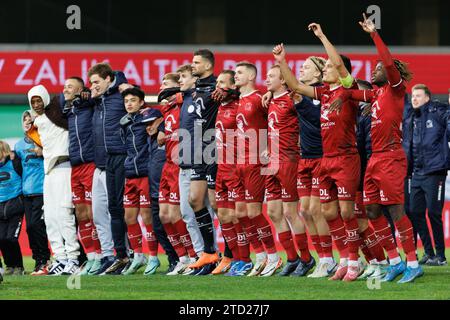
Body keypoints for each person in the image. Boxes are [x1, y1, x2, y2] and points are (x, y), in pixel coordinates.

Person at [328, 14, 421, 283]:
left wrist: (374, 35)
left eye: (377, 68)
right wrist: (343, 95)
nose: (374, 71)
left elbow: (389, 63)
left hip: (392, 156)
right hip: (375, 159)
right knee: (371, 211)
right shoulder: (377, 94)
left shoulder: (395, 89)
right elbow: (354, 92)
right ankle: (394, 261)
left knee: (395, 210)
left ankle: (413, 263)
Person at [264, 65, 316, 277]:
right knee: (273, 212)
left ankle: (306, 258)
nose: (266, 79)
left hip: (288, 159)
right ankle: (292, 258)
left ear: (283, 80)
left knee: (289, 212)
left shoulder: (292, 99)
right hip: (271, 161)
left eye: (271, 76)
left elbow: (308, 121)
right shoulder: (270, 100)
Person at [234, 61, 282, 277]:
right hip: (239, 162)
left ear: (251, 76)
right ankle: (260, 256)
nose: (236, 75)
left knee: (254, 212)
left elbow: (276, 122)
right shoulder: (239, 100)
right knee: (241, 213)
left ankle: (273, 256)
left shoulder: (260, 99)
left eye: (240, 72)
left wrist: (270, 149)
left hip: (255, 162)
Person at [28, 84, 80, 276]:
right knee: (50, 217)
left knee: (65, 214)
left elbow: (63, 99)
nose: (36, 104)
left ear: (46, 99)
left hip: (64, 167)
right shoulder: (38, 121)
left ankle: (73, 258)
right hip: (49, 171)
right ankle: (60, 258)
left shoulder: (56, 111)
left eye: (39, 99)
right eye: (33, 101)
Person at [88, 63, 130, 274]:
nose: (93, 86)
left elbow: (139, 101)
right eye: (91, 83)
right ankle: (108, 255)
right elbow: (63, 102)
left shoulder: (123, 94)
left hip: (119, 158)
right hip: (100, 164)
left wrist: (122, 84)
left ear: (108, 79)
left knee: (119, 210)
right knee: (98, 214)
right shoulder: (96, 101)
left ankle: (128, 253)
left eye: (96, 82)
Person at [212, 70, 253, 276]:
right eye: (217, 82)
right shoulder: (219, 106)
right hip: (221, 167)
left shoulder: (239, 106)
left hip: (236, 167)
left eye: (222, 82)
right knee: (224, 216)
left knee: (238, 216)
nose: (217, 86)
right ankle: (235, 259)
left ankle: (245, 260)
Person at [156, 73, 199, 275]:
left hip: (179, 166)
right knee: (164, 215)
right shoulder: (167, 109)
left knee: (177, 214)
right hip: (167, 165)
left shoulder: (184, 105)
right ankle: (182, 258)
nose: (162, 88)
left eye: (167, 84)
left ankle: (193, 256)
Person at [402, 84, 449, 266]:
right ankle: (428, 253)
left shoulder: (438, 111)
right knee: (414, 212)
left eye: (418, 96)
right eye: (413, 96)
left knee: (434, 213)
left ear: (427, 98)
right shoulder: (411, 118)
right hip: (416, 172)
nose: (414, 99)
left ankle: (441, 255)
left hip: (434, 171)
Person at [61, 77, 103, 276]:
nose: (65, 89)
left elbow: (96, 98)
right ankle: (92, 257)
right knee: (81, 214)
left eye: (69, 86)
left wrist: (88, 96)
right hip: (75, 166)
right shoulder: (69, 110)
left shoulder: (90, 104)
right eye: (64, 86)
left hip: (90, 164)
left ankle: (104, 254)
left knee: (94, 214)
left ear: (80, 89)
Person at [184, 50, 221, 274]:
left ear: (208, 65)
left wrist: (228, 93)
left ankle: (232, 255)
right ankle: (209, 252)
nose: (192, 65)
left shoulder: (219, 87)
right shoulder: (197, 87)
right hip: (198, 150)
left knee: (217, 205)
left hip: (213, 149)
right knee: (195, 200)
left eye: (196, 62)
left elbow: (232, 95)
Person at [118, 87, 156, 275]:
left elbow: (161, 116)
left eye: (133, 100)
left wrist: (152, 117)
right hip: (129, 174)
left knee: (147, 217)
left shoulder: (149, 116)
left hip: (145, 173)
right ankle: (138, 255)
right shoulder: (125, 122)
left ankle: (154, 257)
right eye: (126, 101)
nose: (129, 104)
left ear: (141, 102)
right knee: (129, 217)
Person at [14, 111, 51, 275]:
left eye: (31, 120)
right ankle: (38, 260)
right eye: (25, 120)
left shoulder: (45, 141)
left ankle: (45, 259)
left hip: (43, 190)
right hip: (27, 193)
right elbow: (18, 169)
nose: (28, 122)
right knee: (30, 228)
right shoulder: (18, 146)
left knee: (38, 225)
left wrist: (43, 152)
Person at [0, 141, 25, 276]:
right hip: (0, 209)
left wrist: (14, 154)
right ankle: (9, 265)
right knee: (1, 239)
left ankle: (19, 267)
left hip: (15, 208)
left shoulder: (15, 163)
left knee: (11, 238)